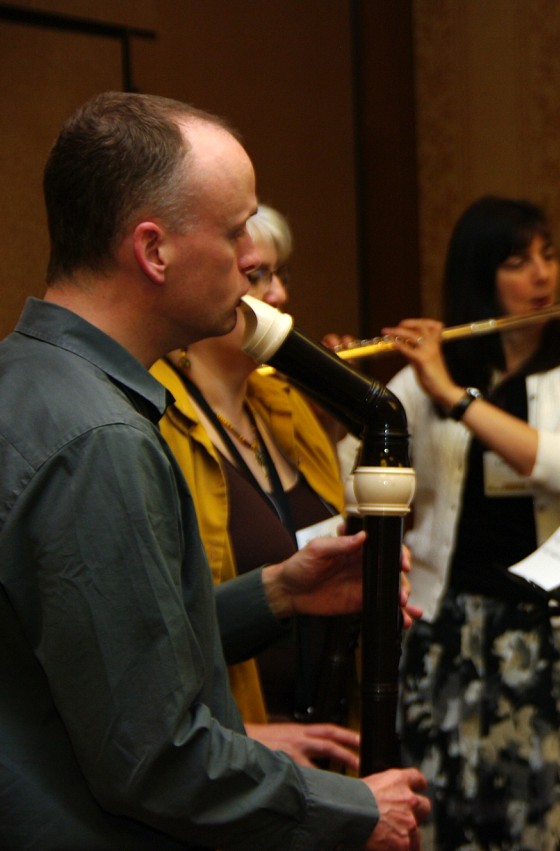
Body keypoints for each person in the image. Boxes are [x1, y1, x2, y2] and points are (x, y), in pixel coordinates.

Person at [0, 91, 429, 850]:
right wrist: (353, 808)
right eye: (235, 235)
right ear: (154, 250)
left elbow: (96, 639)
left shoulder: (28, 376)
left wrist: (277, 591)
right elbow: (156, 758)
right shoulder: (100, 436)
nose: (247, 263)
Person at [341, 195, 560, 849]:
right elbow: (352, 476)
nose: (541, 275)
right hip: (452, 626)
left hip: (552, 631)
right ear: (482, 277)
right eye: (517, 261)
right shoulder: (431, 375)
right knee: (453, 806)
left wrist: (452, 394)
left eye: (548, 255)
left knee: (553, 810)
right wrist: (350, 392)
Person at [152, 204, 360, 771]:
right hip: (227, 747)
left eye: (280, 275)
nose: (279, 297)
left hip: (324, 731)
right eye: (257, 277)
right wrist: (238, 733)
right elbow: (151, 629)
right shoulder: (155, 414)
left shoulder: (286, 403)